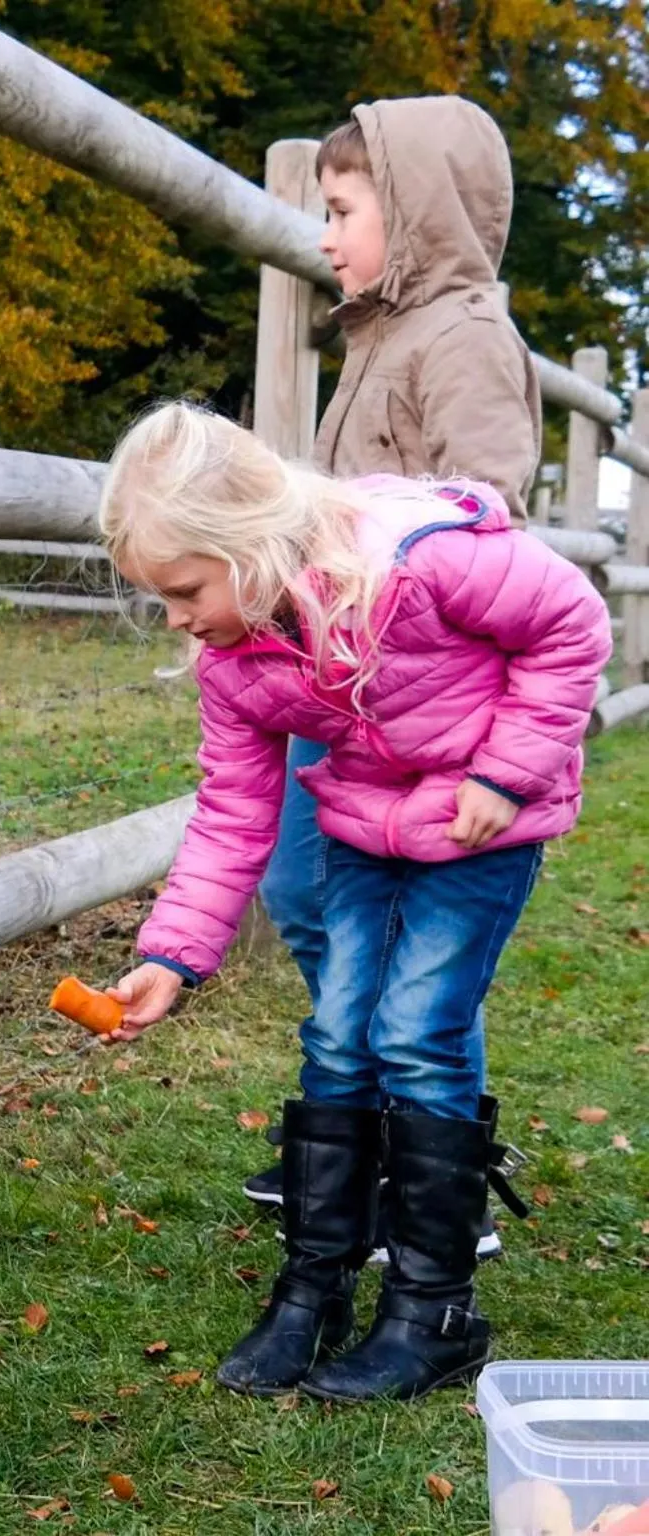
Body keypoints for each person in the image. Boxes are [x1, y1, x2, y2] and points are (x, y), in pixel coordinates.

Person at [99, 401, 608, 1402]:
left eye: (183, 589)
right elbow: (232, 809)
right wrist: (172, 954)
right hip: (366, 826)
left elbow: (571, 626)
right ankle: (313, 1287)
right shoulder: (235, 657)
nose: (174, 617)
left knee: (416, 1030)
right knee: (336, 1034)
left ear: (245, 544)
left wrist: (502, 775)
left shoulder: (420, 562)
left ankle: (433, 1311)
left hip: (480, 825)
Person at [246, 97, 545, 1239]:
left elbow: (481, 515)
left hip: (419, 705)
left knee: (420, 961)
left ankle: (436, 1172)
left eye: (339, 211)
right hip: (339, 686)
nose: (323, 237)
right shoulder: (376, 334)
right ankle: (364, 1129)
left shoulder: (462, 340)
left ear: (411, 214)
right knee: (303, 901)